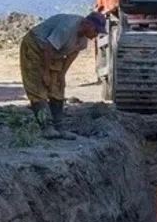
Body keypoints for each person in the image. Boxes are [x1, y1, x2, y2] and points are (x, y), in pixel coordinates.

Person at [19, 11, 107, 139]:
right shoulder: (67, 28)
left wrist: (62, 74)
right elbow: (47, 48)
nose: (95, 35)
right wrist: (45, 73)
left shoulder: (83, 36)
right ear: (87, 24)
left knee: (57, 87)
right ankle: (47, 127)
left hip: (53, 53)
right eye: (95, 30)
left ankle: (59, 127)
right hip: (36, 47)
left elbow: (73, 53)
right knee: (38, 87)